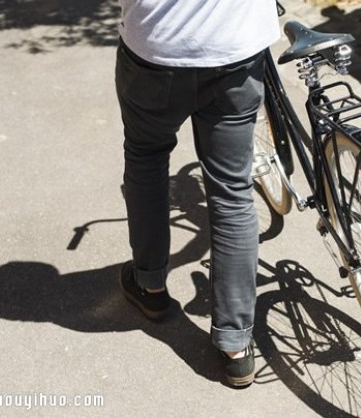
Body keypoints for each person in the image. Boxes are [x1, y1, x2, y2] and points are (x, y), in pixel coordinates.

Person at [114, 1, 280, 387]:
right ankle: (235, 346)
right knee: (232, 192)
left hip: (156, 46)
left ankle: (150, 283)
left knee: (147, 159)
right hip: (235, 49)